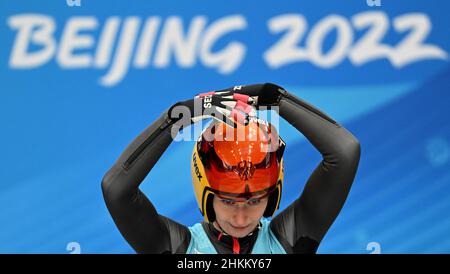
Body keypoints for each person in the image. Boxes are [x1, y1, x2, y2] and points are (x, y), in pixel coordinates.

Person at [101, 83, 361, 254]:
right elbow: (116, 190)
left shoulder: (289, 240)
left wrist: (272, 97)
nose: (241, 219)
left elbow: (345, 152)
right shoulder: (176, 247)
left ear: (272, 197)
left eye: (255, 201)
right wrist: (177, 117)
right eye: (227, 201)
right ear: (205, 191)